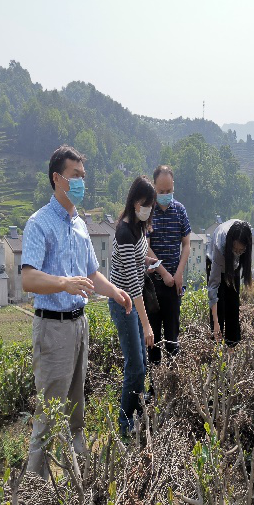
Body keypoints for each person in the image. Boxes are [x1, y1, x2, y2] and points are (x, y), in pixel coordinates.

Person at [22, 145, 132, 478]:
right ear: (57, 178)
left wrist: (114, 291)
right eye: (76, 175)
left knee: (75, 409)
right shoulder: (40, 224)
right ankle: (33, 488)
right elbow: (28, 277)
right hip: (53, 328)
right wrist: (63, 283)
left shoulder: (80, 225)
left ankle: (80, 479)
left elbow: (91, 273)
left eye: (84, 176)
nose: (82, 182)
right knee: (48, 413)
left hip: (78, 325)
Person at [109, 176, 156, 435]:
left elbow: (138, 259)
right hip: (124, 303)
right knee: (135, 366)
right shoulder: (124, 232)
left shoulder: (138, 226)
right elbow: (133, 286)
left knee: (142, 364)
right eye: (145, 203)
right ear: (135, 201)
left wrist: (148, 262)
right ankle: (125, 424)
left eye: (150, 204)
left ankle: (138, 414)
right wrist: (147, 325)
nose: (148, 208)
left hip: (133, 301)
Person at [147, 165, 191, 365]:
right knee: (153, 338)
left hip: (175, 282)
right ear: (154, 188)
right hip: (154, 282)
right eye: (161, 191)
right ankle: (154, 386)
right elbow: (146, 248)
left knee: (173, 335)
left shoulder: (180, 210)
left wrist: (178, 273)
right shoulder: (148, 212)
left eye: (169, 191)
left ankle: (173, 381)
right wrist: (163, 272)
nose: (165, 195)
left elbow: (187, 244)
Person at [206, 219, 252, 346]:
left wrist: (238, 254)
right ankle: (216, 345)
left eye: (241, 251)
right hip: (216, 260)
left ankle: (232, 346)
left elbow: (239, 255)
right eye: (235, 249)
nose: (238, 253)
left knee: (233, 304)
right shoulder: (219, 246)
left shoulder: (245, 237)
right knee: (219, 303)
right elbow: (213, 288)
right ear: (230, 244)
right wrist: (216, 323)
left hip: (232, 264)